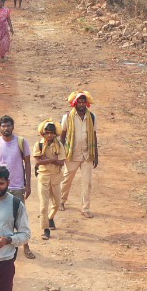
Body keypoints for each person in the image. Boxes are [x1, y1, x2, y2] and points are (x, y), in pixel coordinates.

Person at [0, 115, 34, 259]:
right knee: (0, 217)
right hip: (0, 187)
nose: (6, 128)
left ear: (13, 127)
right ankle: (1, 244)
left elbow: (27, 164)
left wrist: (28, 185)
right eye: (3, 126)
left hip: (17, 186)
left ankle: (25, 246)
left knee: (20, 217)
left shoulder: (21, 142)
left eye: (8, 125)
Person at [60, 90, 100, 219]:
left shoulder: (92, 117)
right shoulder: (67, 117)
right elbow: (63, 135)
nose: (82, 104)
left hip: (87, 154)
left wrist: (96, 155)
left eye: (84, 102)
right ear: (75, 103)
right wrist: (60, 154)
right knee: (67, 179)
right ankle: (61, 201)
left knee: (87, 183)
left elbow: (94, 135)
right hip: (72, 154)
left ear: (87, 104)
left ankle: (85, 208)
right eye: (79, 102)